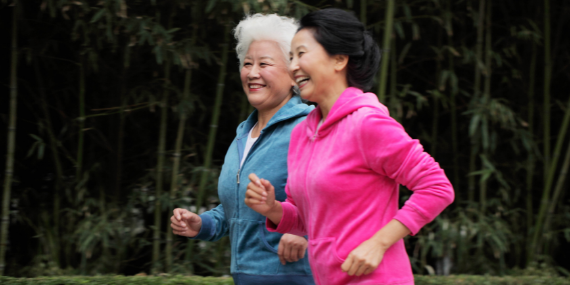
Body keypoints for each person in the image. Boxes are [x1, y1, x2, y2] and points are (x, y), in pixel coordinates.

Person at [245, 8, 454, 285]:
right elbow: (309, 220)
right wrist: (271, 208)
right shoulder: (302, 134)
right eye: (291, 57)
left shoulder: (368, 123)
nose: (293, 66)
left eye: (302, 54)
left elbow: (437, 187)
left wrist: (379, 243)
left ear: (339, 59)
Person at [170, 14, 314, 285]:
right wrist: (201, 224)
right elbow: (236, 209)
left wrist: (303, 233)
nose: (252, 72)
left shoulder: (309, 127)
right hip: (246, 277)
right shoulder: (243, 134)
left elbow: (339, 199)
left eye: (264, 64)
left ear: (294, 73)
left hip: (297, 277)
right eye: (247, 63)